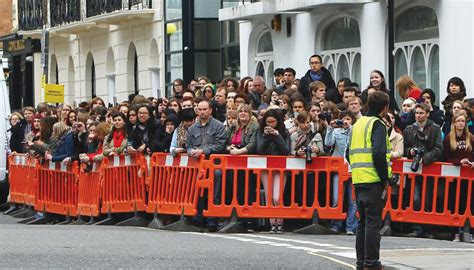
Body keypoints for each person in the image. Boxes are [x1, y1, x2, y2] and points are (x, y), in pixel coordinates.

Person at [348, 91, 391, 270]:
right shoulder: (378, 124)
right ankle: (371, 263)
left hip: (358, 180)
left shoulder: (358, 124)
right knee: (373, 223)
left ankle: (361, 262)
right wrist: (385, 178)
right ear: (385, 108)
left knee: (363, 223)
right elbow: (380, 153)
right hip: (374, 180)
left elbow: (347, 153)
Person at [186, 100, 227, 232]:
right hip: (198, 166)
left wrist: (203, 151)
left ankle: (212, 220)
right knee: (196, 191)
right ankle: (198, 218)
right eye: (200, 109)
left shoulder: (219, 126)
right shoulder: (192, 129)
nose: (202, 112)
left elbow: (220, 145)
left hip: (214, 165)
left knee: (214, 191)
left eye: (205, 109)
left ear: (210, 110)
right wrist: (190, 151)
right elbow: (188, 145)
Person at [257, 108, 291, 233]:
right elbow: (259, 150)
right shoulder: (261, 132)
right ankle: (273, 224)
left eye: (273, 122)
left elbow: (286, 150)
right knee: (268, 196)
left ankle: (280, 223)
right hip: (265, 168)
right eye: (268, 122)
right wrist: (266, 136)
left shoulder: (284, 132)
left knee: (277, 197)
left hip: (280, 168)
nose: (270, 125)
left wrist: (277, 135)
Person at [325, 111, 357, 235]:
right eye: (343, 119)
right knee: (336, 198)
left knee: (352, 200)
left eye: (348, 119)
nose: (345, 121)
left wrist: (348, 128)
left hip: (353, 169)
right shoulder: (336, 132)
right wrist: (330, 128)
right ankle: (335, 224)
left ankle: (350, 226)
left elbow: (354, 139)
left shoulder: (355, 131)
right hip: (339, 169)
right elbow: (328, 143)